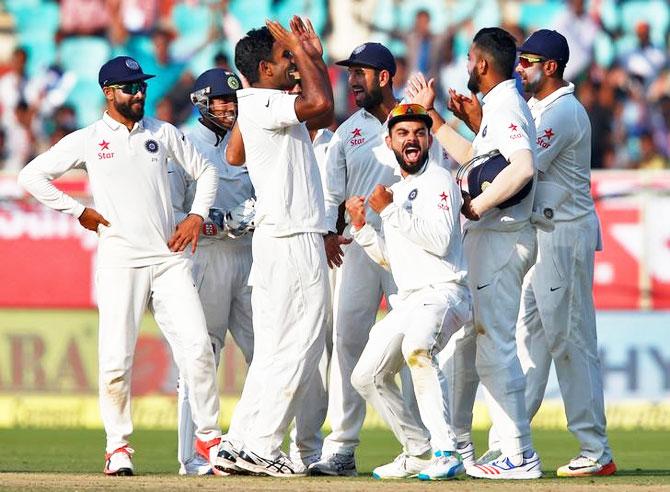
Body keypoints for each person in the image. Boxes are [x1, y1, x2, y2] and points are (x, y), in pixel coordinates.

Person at [17, 56, 230, 476]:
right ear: (108, 93)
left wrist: (195, 216)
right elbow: (31, 177)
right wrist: (77, 211)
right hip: (120, 260)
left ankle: (209, 441)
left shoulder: (163, 132)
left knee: (199, 351)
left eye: (142, 87)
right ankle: (118, 448)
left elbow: (206, 171)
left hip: (169, 258)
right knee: (116, 360)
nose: (139, 94)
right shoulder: (89, 138)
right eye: (129, 88)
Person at [407, 27, 541, 479]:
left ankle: (518, 455)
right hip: (497, 238)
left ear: (482, 64)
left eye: (469, 59)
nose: (466, 67)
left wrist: (477, 205)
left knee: (495, 347)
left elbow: (523, 167)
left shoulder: (504, 105)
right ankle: (495, 449)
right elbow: (475, 160)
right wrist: (436, 119)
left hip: (501, 237)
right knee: (484, 345)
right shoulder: (501, 105)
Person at [217, 17, 334, 477]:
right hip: (292, 236)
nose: (292, 64)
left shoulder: (258, 101)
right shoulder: (266, 101)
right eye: (285, 58)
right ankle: (263, 444)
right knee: (300, 344)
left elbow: (321, 114)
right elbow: (321, 101)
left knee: (272, 349)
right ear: (265, 68)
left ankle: (241, 441)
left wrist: (312, 57)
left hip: (276, 237)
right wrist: (304, 54)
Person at [348, 104, 471, 480]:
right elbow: (391, 260)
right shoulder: (397, 190)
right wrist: (361, 228)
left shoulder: (440, 180)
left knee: (416, 348)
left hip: (445, 291)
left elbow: (438, 240)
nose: (411, 139)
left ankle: (446, 450)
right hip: (411, 298)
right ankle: (417, 450)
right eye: (402, 134)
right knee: (365, 376)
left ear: (429, 139)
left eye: (418, 132)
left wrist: (387, 212)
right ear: (390, 143)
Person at [513, 29, 616, 477]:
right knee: (530, 340)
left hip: (565, 234)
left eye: (526, 61)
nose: (519, 68)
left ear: (550, 66)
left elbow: (520, 165)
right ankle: (512, 440)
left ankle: (595, 450)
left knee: (570, 340)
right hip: (543, 236)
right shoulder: (536, 108)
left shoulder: (565, 112)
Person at [169, 68, 255, 476]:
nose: (229, 106)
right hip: (206, 257)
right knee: (202, 356)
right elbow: (172, 214)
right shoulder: (183, 142)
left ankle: (256, 447)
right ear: (201, 100)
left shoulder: (250, 137)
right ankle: (194, 455)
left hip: (251, 255)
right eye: (221, 99)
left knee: (268, 352)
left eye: (234, 100)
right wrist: (215, 222)